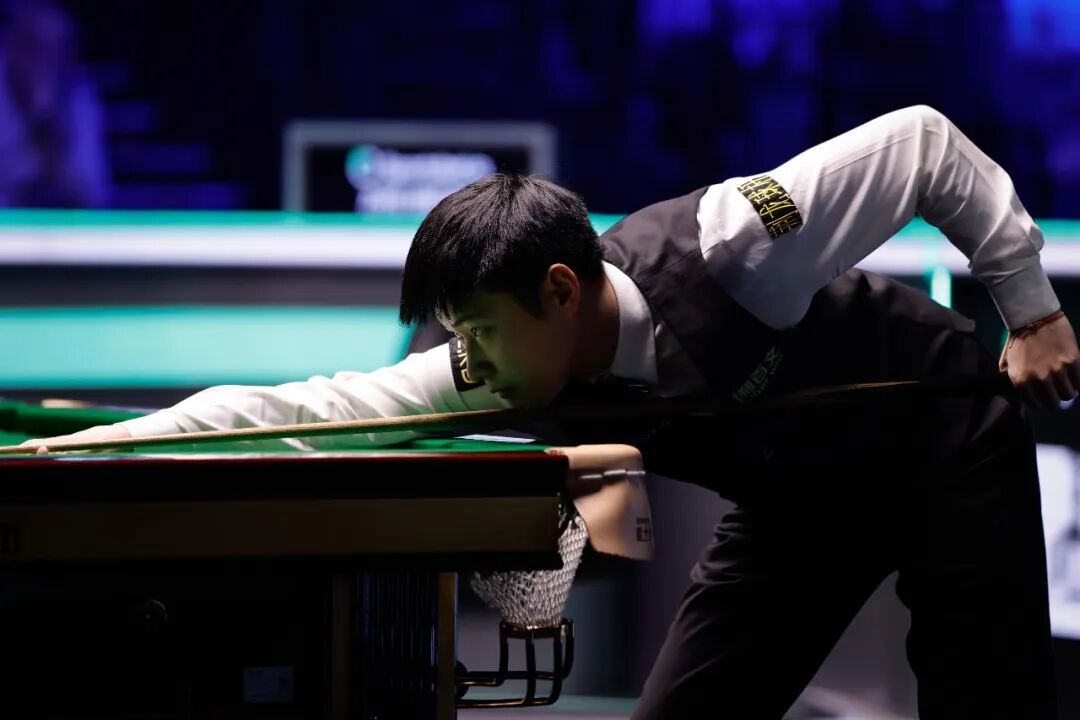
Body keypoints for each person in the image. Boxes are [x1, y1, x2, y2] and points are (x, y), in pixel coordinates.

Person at [25, 105, 1080, 717]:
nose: (467, 358)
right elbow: (310, 407)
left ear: (562, 292)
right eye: (457, 332)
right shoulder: (499, 360)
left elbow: (925, 145)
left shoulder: (736, 243)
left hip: (941, 444)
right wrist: (96, 447)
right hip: (798, 506)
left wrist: (1030, 310)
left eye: (481, 328)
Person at [0, 0, 109, 208]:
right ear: (11, 46)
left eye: (58, 51)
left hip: (58, 224)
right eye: (34, 48)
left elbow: (92, 195)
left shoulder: (78, 96)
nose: (44, 62)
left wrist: (50, 128)